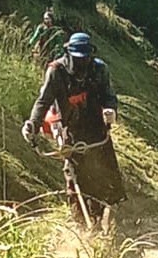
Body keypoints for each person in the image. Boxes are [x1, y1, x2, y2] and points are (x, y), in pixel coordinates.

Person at [21, 32, 125, 222]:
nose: (81, 64)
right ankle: (82, 225)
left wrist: (111, 110)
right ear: (68, 53)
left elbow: (109, 96)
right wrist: (32, 125)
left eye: (85, 59)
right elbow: (43, 102)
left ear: (90, 55)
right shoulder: (56, 72)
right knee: (76, 181)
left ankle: (108, 218)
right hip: (71, 131)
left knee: (107, 177)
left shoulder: (100, 69)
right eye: (77, 59)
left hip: (97, 131)